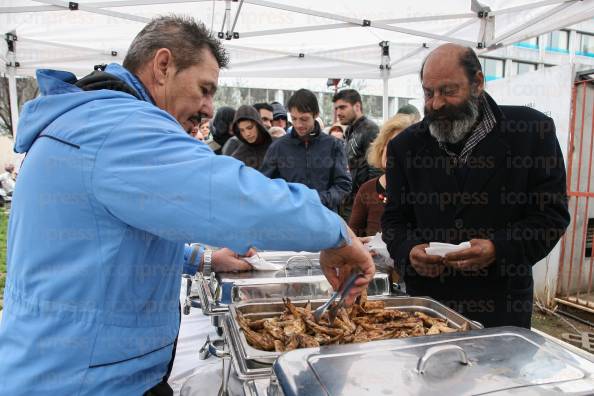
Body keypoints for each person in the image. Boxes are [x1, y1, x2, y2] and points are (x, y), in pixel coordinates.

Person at [0, 16, 374, 395]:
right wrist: (337, 233)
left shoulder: (93, 121)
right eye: (205, 89)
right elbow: (235, 198)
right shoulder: (117, 127)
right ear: (163, 66)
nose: (209, 109)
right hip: (83, 381)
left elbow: (116, 243)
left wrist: (206, 260)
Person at [381, 43, 570, 329]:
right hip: (428, 309)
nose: (436, 104)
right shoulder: (404, 147)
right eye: (429, 92)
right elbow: (394, 220)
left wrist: (498, 248)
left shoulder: (532, 132)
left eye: (448, 91)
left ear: (478, 83)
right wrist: (409, 250)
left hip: (502, 309)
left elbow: (551, 217)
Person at [261, 89, 352, 213]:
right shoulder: (278, 147)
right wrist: (288, 201)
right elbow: (265, 185)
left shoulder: (334, 145)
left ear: (316, 114)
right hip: (290, 218)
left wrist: (319, 200)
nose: (298, 124)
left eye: (304, 119)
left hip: (325, 217)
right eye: (294, 119)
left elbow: (343, 185)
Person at [348, 114, 414, 237]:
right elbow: (352, 239)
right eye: (390, 144)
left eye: (401, 148)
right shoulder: (367, 189)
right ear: (381, 147)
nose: (392, 152)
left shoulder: (421, 191)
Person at [332, 89, 381, 218]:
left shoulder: (370, 129)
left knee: (358, 238)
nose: (338, 112)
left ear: (357, 106)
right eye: (336, 108)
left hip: (361, 202)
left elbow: (376, 169)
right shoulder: (350, 130)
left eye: (342, 107)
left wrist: (369, 203)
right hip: (348, 201)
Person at [229, 105, 273, 170]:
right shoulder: (238, 156)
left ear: (258, 126)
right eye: (242, 130)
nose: (247, 134)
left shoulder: (277, 146)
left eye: (250, 128)